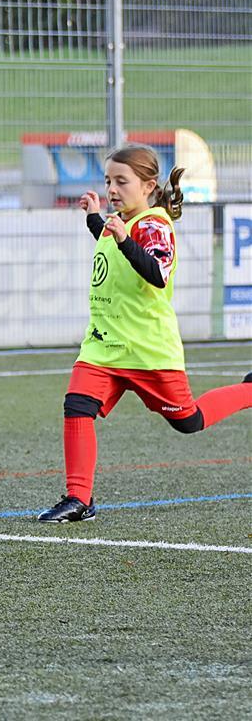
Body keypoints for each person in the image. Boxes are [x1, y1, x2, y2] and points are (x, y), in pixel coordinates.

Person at [38, 144, 252, 523]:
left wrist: (121, 237)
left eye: (122, 181)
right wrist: (94, 218)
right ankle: (79, 499)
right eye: (108, 181)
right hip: (105, 345)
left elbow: (156, 272)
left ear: (149, 185)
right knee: (78, 405)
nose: (112, 189)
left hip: (147, 350)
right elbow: (116, 247)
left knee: (189, 420)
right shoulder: (120, 222)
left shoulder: (153, 224)